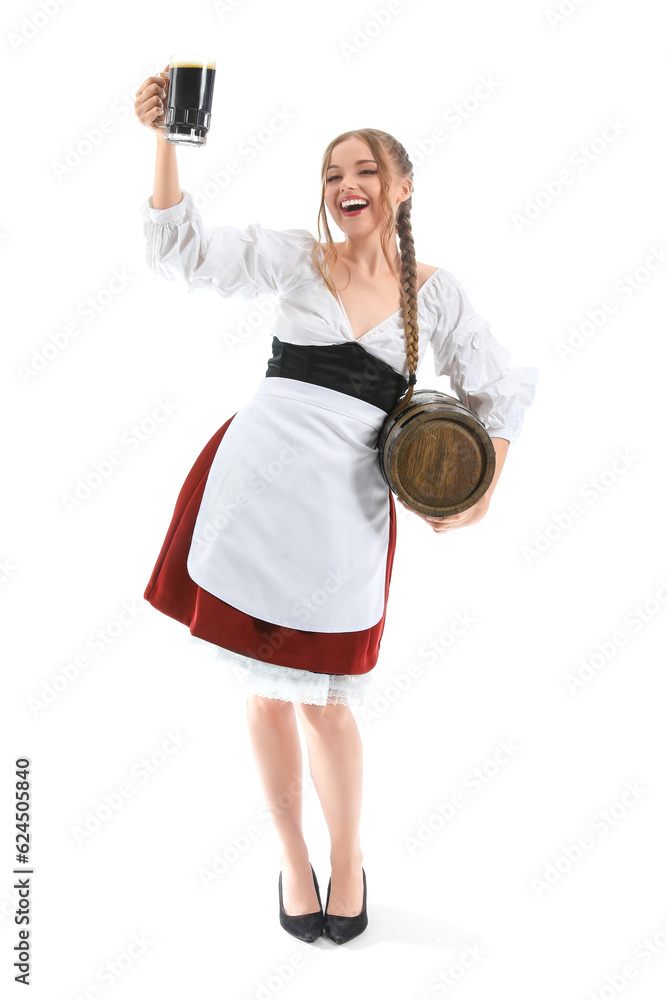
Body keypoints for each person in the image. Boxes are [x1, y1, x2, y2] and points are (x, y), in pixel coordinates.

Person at [134, 67, 538, 944]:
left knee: (326, 699)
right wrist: (167, 139)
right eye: (330, 174)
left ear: (399, 188)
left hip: (344, 508)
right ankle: (290, 857)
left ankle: (347, 857)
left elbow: (499, 394)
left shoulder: (433, 292)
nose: (345, 185)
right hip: (251, 489)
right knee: (265, 694)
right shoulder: (294, 258)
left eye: (362, 171)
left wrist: (481, 494)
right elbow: (180, 252)